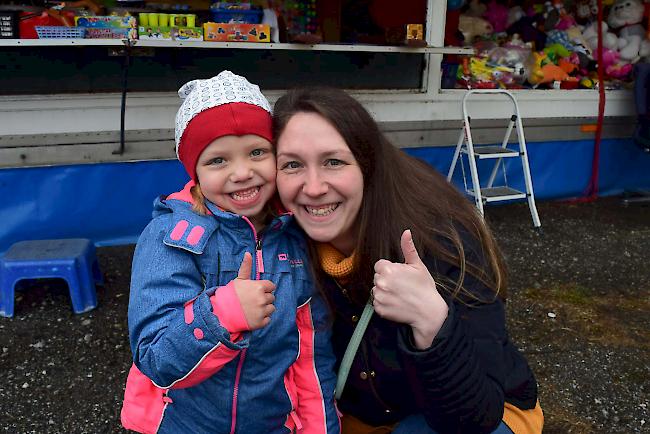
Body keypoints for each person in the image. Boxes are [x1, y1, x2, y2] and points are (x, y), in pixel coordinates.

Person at [272, 86, 544, 434]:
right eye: (293, 165)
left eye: (334, 162)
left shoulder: (442, 240)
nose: (312, 187)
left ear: (368, 166)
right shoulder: (276, 242)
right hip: (359, 417)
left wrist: (433, 324)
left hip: (469, 416)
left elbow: (475, 418)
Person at [120, 71, 340, 434]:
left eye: (257, 152)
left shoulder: (295, 236)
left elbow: (311, 358)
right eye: (218, 160)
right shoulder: (169, 237)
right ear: (195, 170)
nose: (242, 172)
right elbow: (155, 358)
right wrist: (221, 315)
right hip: (183, 425)